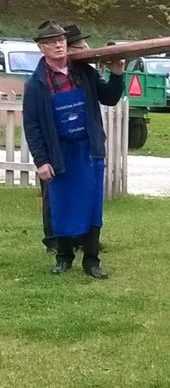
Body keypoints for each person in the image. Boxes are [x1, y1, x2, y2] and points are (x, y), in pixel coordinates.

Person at [22, 20, 125, 279]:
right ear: (41, 48)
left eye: (60, 40)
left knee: (92, 204)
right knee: (61, 203)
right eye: (51, 42)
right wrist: (41, 160)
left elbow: (110, 98)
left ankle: (91, 260)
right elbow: (32, 125)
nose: (58, 45)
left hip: (88, 149)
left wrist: (116, 74)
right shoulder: (36, 84)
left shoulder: (85, 73)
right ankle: (63, 257)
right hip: (59, 152)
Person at [37, 24, 94, 254]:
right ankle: (53, 239)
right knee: (53, 194)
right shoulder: (42, 79)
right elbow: (34, 122)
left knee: (80, 191)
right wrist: (42, 157)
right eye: (81, 47)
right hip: (54, 142)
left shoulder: (80, 73)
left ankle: (79, 237)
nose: (86, 50)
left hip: (79, 142)